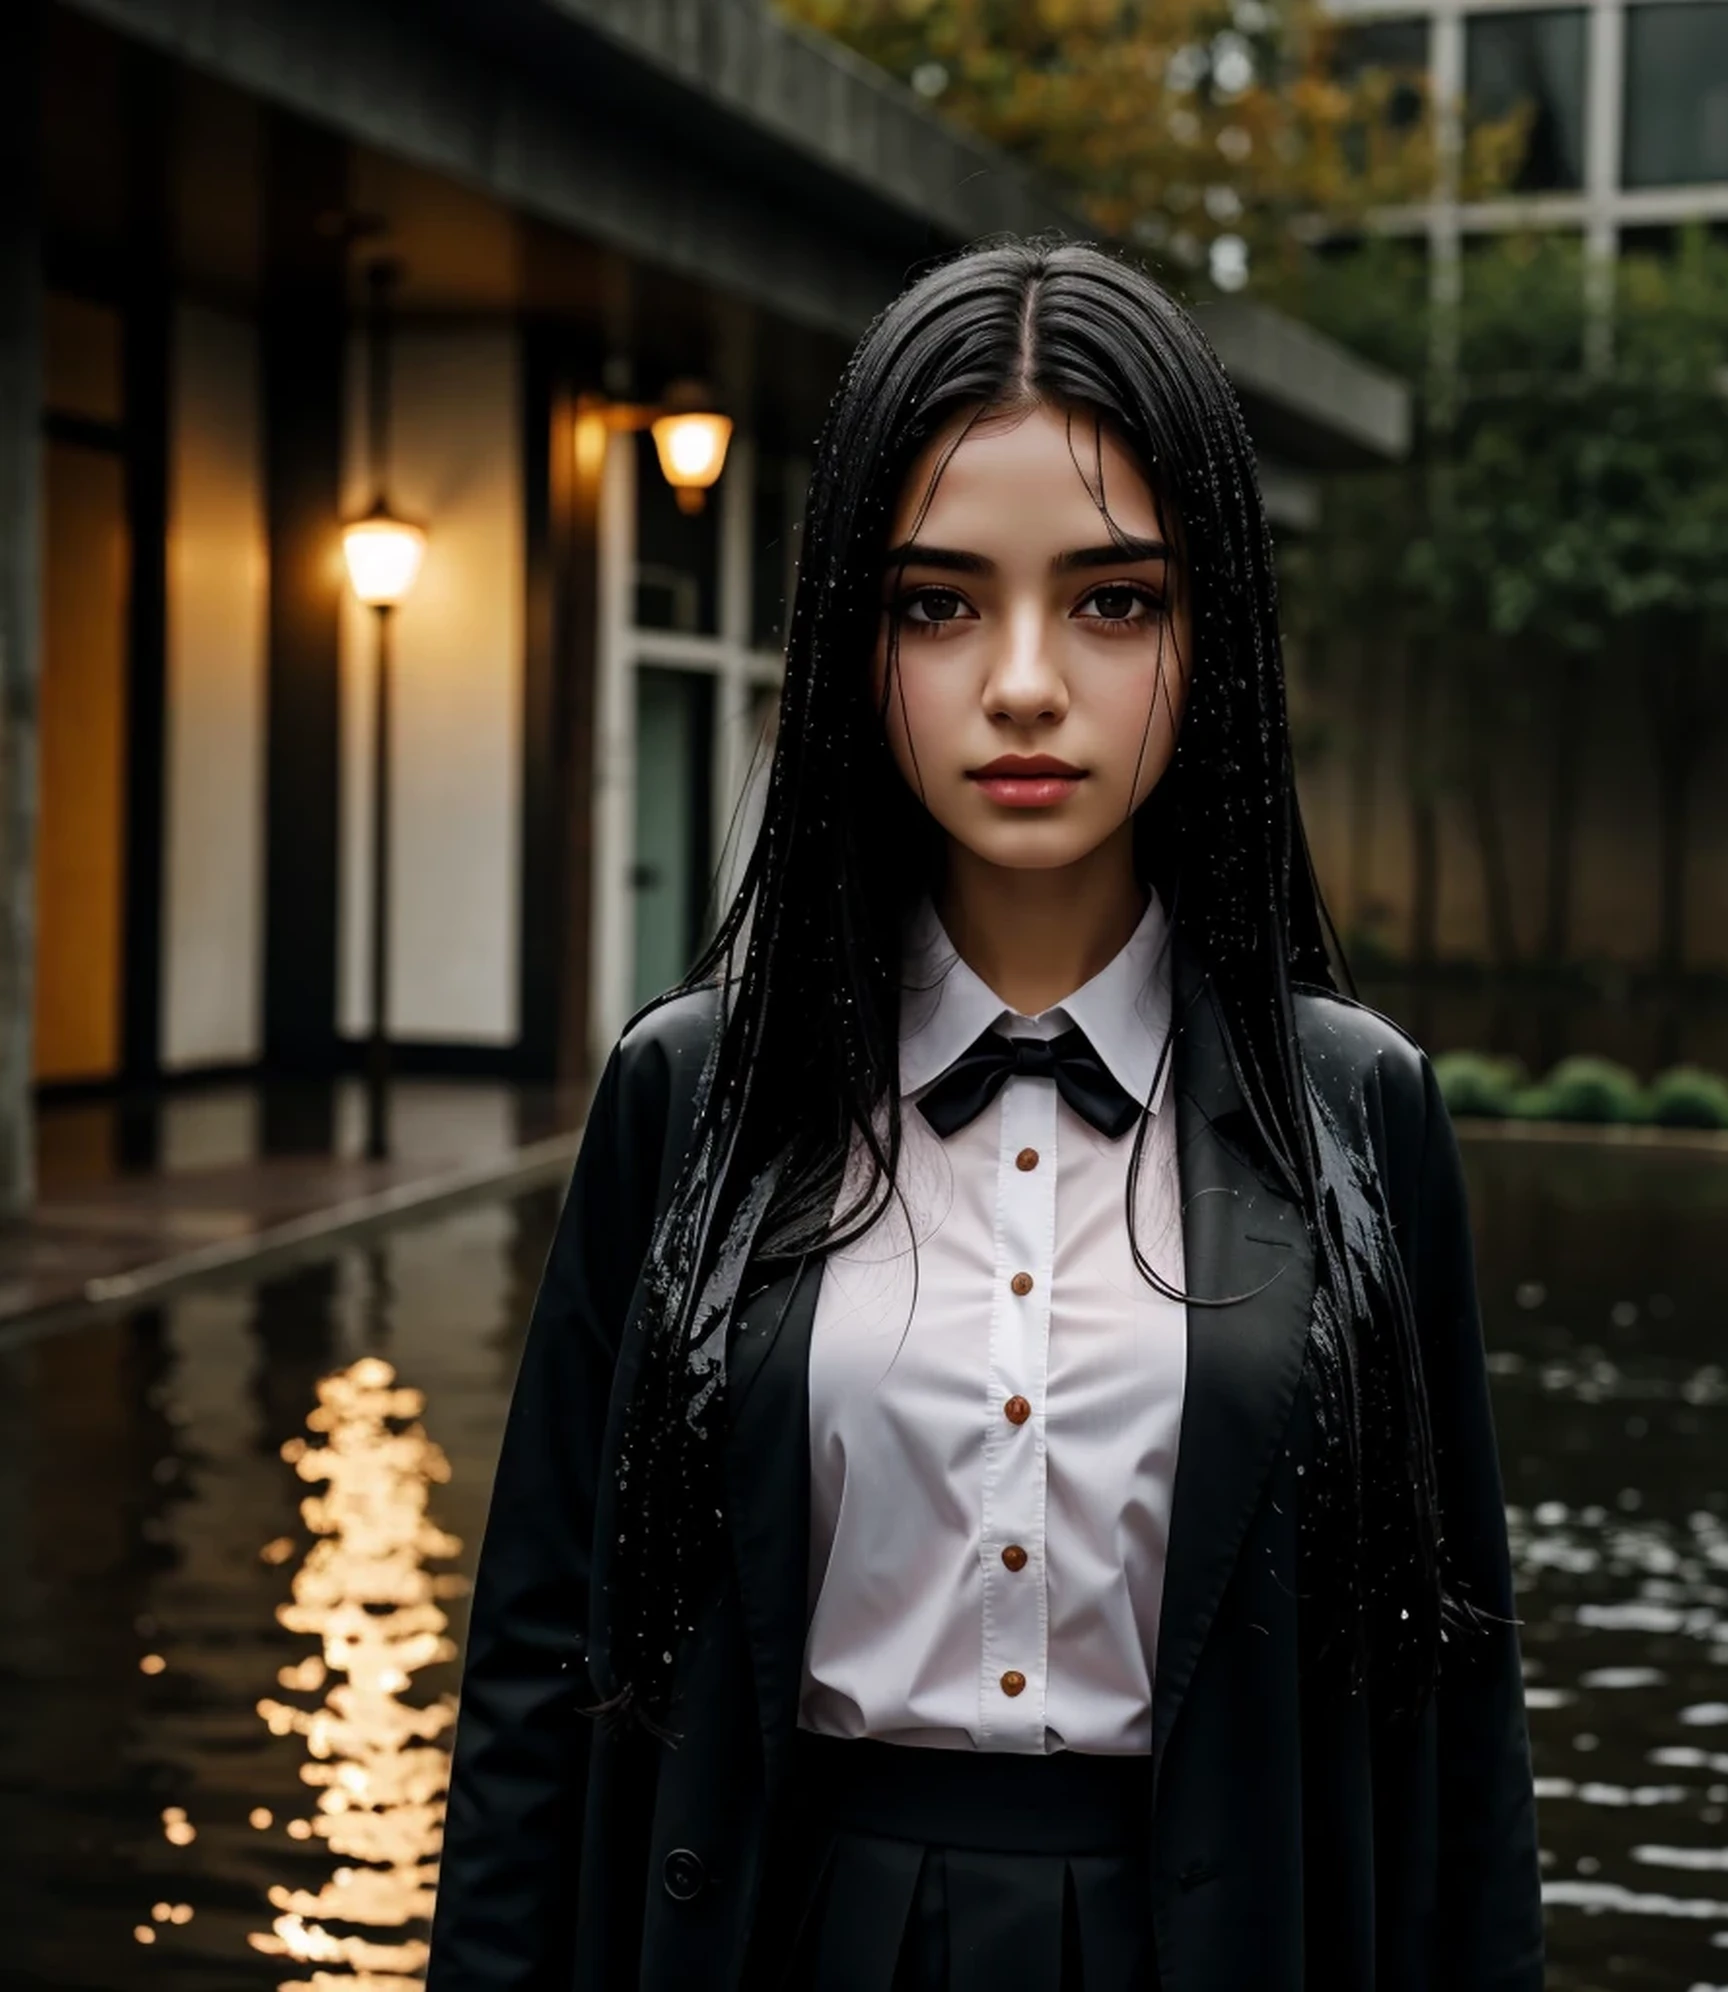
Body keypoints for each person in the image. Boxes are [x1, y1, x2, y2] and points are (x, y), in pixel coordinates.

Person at [426, 235, 1542, 1991]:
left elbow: (1456, 1706)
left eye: (1115, 601)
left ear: (1215, 632)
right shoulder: (688, 1093)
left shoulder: (1360, 1111)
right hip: (794, 1935)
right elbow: (536, 1677)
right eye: (938, 603)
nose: (1025, 683)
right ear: (851, 643)